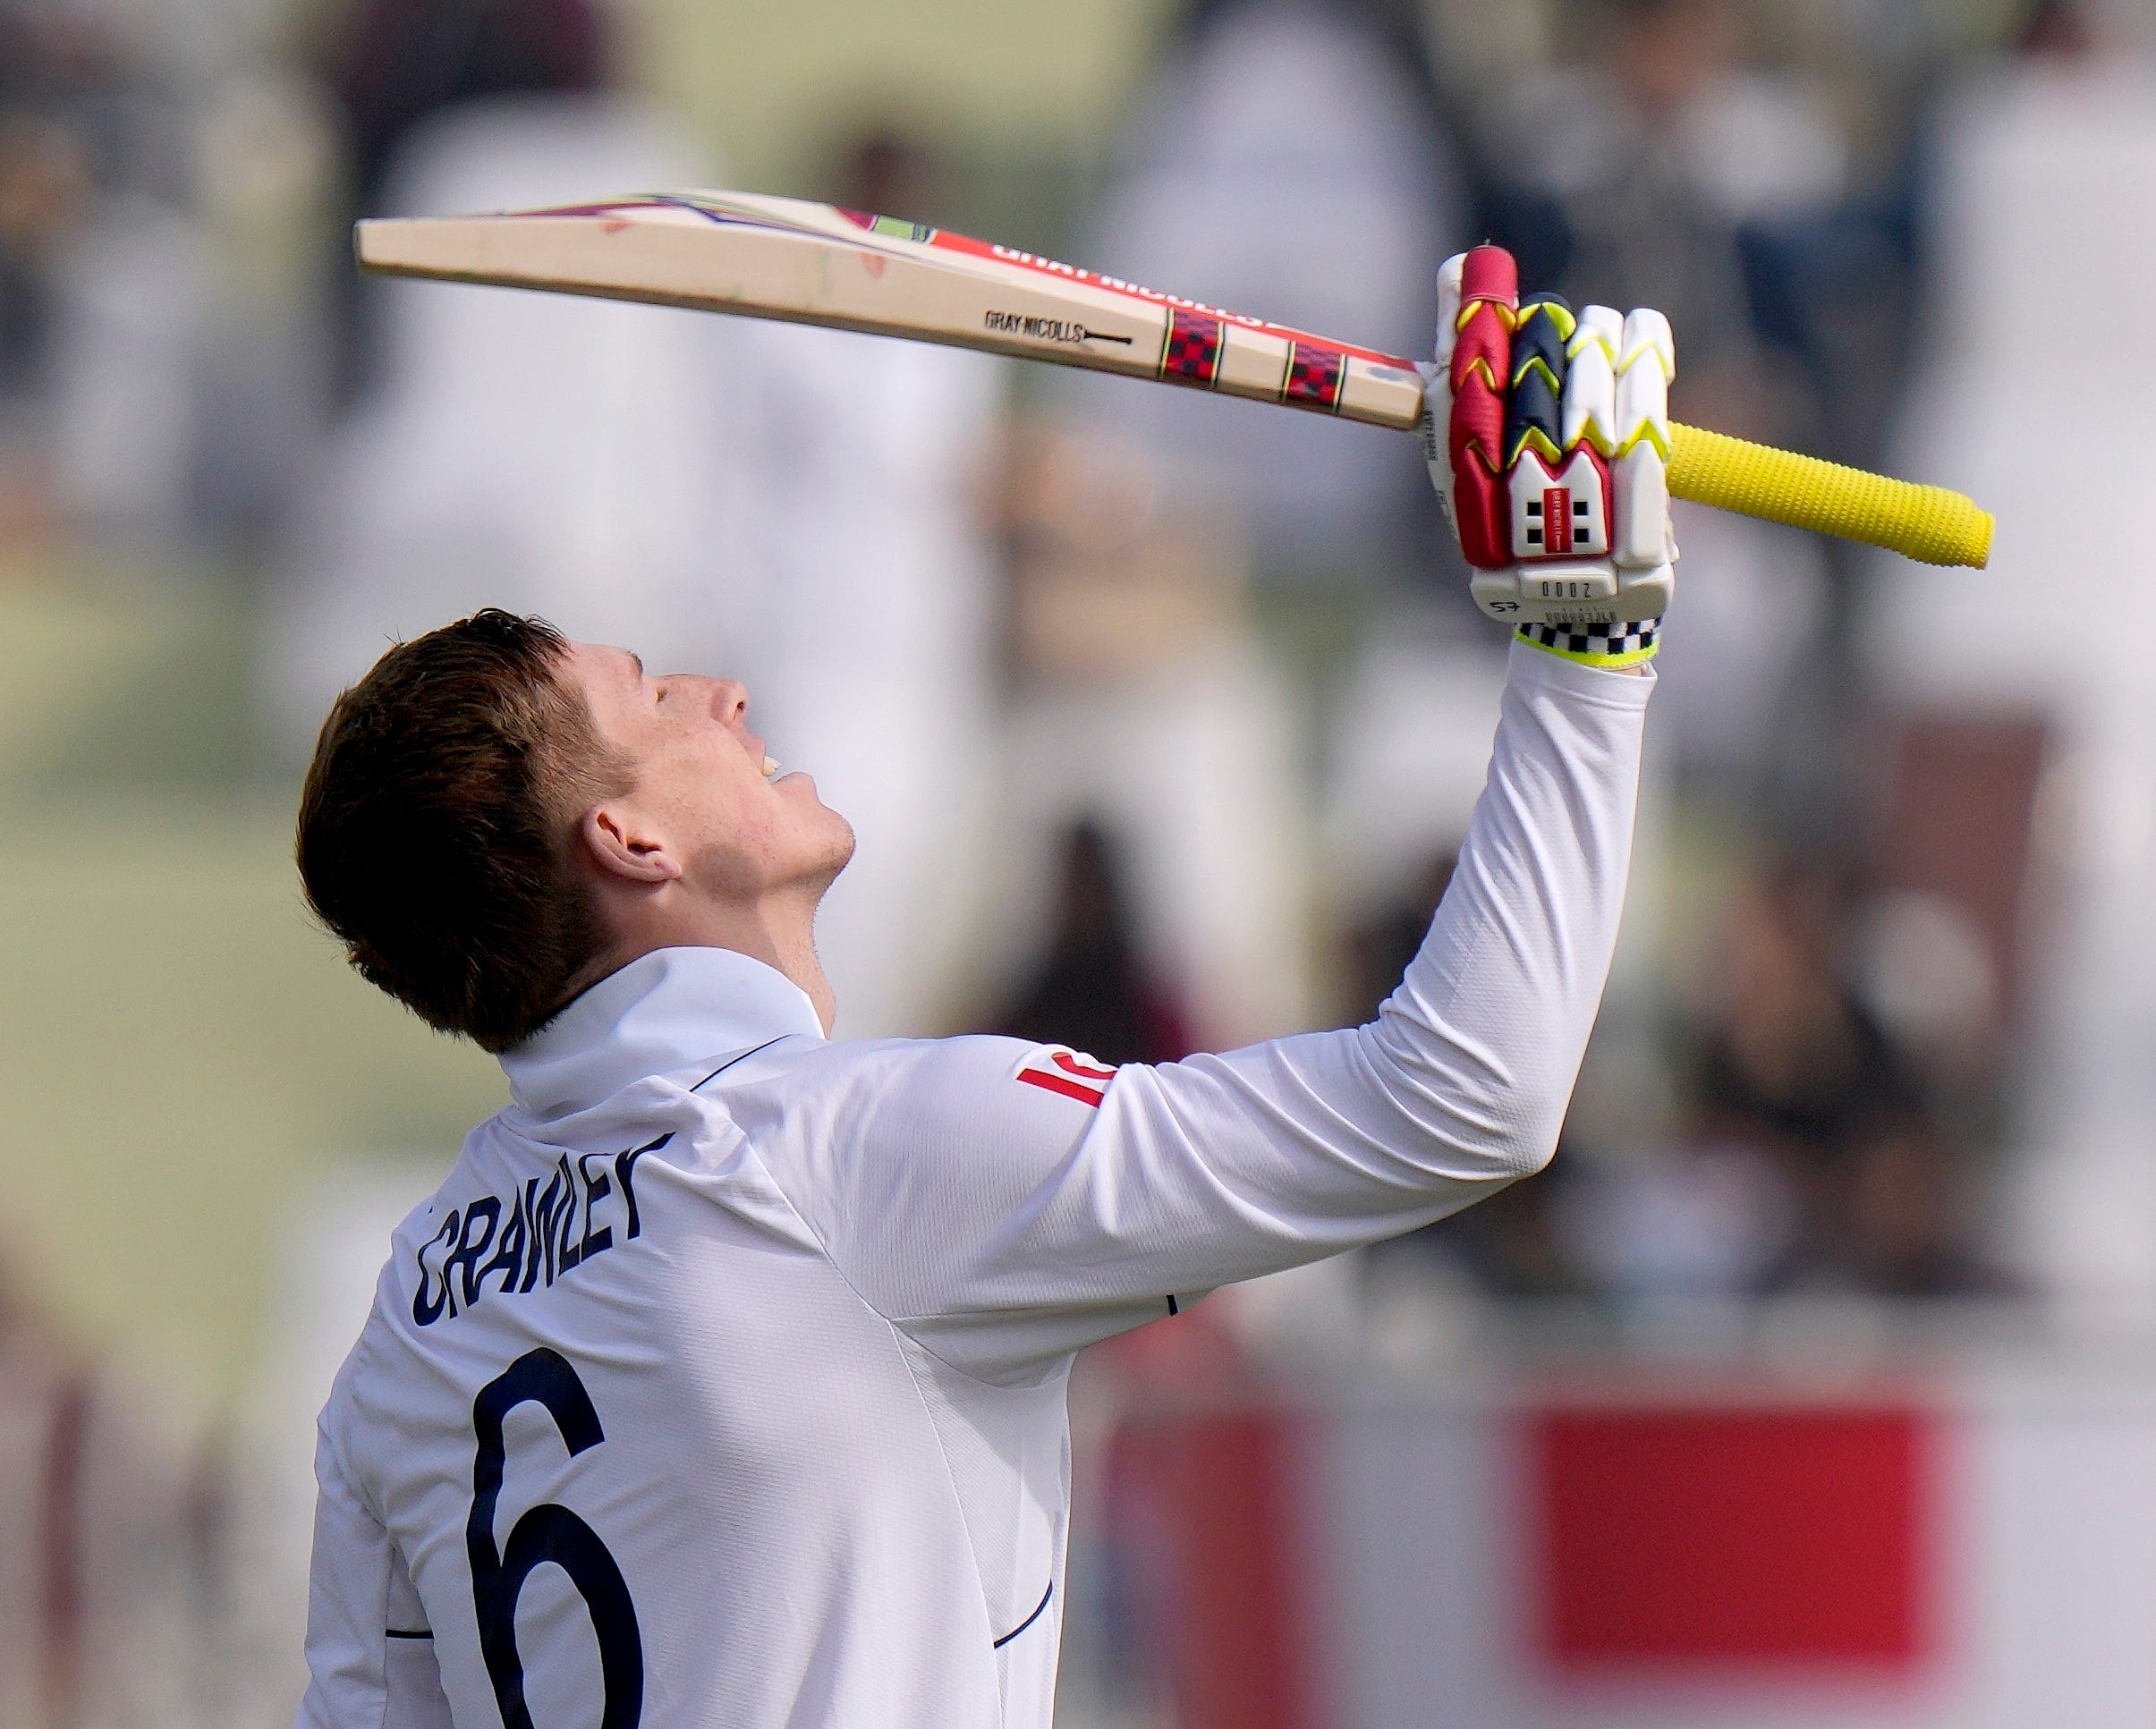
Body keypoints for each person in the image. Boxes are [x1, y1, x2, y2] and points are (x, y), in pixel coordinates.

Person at [291, 248, 1675, 1726]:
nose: (722, 692)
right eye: (655, 695)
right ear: (625, 838)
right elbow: (1467, 1097)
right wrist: (1585, 642)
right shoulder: (853, 1156)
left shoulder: (408, 1325)